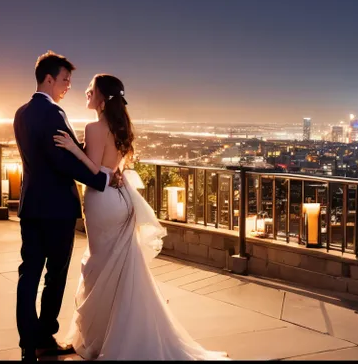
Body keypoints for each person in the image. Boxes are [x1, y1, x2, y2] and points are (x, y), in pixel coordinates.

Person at [53, 74, 229, 360]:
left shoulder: (95, 128)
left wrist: (74, 149)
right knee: (120, 268)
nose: (86, 92)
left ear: (101, 97)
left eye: (90, 90)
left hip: (103, 202)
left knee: (101, 265)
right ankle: (116, 331)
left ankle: (103, 336)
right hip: (122, 201)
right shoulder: (121, 128)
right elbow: (113, 168)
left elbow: (95, 171)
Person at [13, 51, 117, 361]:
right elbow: (64, 162)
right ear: (48, 78)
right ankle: (45, 336)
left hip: (30, 206)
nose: (69, 85)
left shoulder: (20, 113)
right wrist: (102, 180)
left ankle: (26, 344)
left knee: (28, 274)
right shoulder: (54, 115)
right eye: (65, 79)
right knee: (54, 275)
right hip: (57, 210)